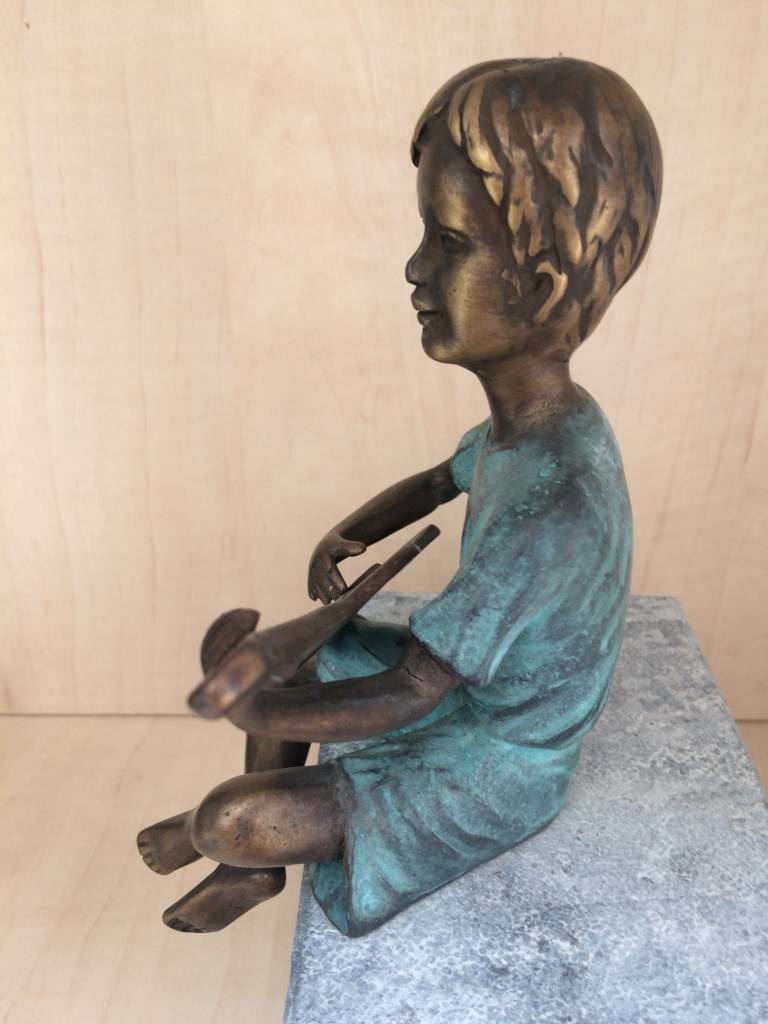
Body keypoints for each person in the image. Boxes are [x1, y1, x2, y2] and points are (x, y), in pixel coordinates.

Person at [137, 57, 662, 937]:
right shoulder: (534, 431)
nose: (415, 269)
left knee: (233, 813)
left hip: (499, 759)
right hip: (466, 692)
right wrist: (347, 534)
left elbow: (414, 689)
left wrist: (266, 708)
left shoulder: (552, 507)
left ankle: (229, 837)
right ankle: (250, 869)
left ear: (539, 283)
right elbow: (433, 483)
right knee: (309, 651)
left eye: (449, 243)